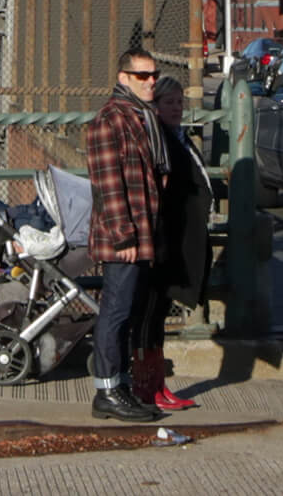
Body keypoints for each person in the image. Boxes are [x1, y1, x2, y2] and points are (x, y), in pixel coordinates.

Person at [85, 48, 167, 422]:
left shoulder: (141, 116)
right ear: (123, 78)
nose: (151, 81)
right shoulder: (110, 120)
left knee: (128, 310)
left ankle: (119, 385)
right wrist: (124, 237)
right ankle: (106, 390)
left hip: (142, 232)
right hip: (124, 236)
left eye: (154, 75)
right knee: (115, 311)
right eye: (142, 76)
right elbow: (107, 183)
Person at [132, 74, 213, 411]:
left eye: (180, 102)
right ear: (155, 106)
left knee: (161, 313)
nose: (177, 108)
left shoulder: (178, 137)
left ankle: (158, 386)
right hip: (161, 240)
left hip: (179, 238)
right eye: (170, 102)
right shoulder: (158, 140)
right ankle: (145, 388)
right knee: (148, 314)